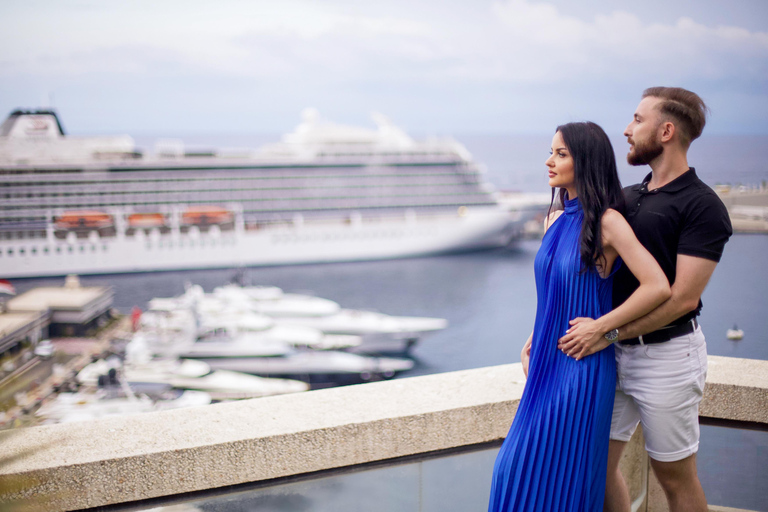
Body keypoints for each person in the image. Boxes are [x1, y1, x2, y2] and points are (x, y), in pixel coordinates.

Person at [556, 87, 732, 512]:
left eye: (637, 120)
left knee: (675, 478)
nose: (627, 130)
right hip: (611, 356)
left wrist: (608, 330)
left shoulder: (703, 206)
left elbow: (682, 300)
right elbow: (593, 279)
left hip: (668, 359)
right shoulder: (628, 199)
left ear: (667, 131)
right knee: (593, 466)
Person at [488, 121, 670, 512]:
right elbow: (554, 292)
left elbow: (657, 286)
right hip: (546, 365)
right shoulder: (553, 220)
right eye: (551, 152)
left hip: (583, 367)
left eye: (561, 153)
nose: (549, 161)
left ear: (585, 161)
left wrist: (604, 330)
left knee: (561, 478)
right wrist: (534, 340)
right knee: (512, 470)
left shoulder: (608, 221)